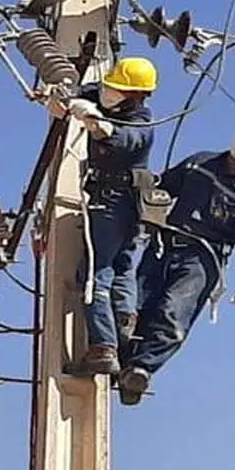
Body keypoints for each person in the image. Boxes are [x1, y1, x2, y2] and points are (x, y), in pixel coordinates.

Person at [117, 111, 235, 405]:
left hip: (202, 259)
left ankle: (141, 370)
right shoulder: (200, 163)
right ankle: (121, 360)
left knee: (172, 314)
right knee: (136, 306)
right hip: (164, 246)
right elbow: (163, 186)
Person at [49, 57, 159, 377]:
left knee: (95, 273)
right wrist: (60, 99)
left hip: (115, 203)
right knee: (123, 268)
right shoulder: (106, 95)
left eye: (117, 89)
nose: (108, 92)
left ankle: (103, 347)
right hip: (133, 204)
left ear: (135, 96)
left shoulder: (141, 123)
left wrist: (95, 122)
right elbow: (82, 93)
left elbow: (120, 138)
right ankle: (124, 328)